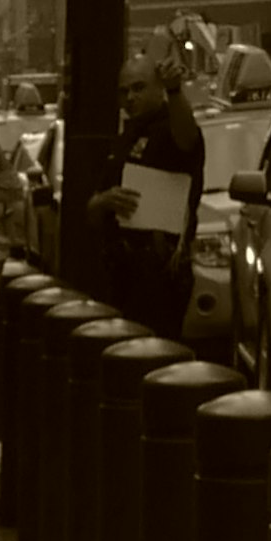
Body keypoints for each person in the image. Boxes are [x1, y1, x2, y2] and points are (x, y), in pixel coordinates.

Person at [94, 44, 207, 342]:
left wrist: (175, 91)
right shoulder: (124, 139)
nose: (130, 97)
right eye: (124, 91)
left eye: (139, 88)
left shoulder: (171, 126)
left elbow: (187, 139)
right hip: (121, 271)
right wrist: (101, 202)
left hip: (159, 274)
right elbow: (94, 204)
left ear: (158, 88)